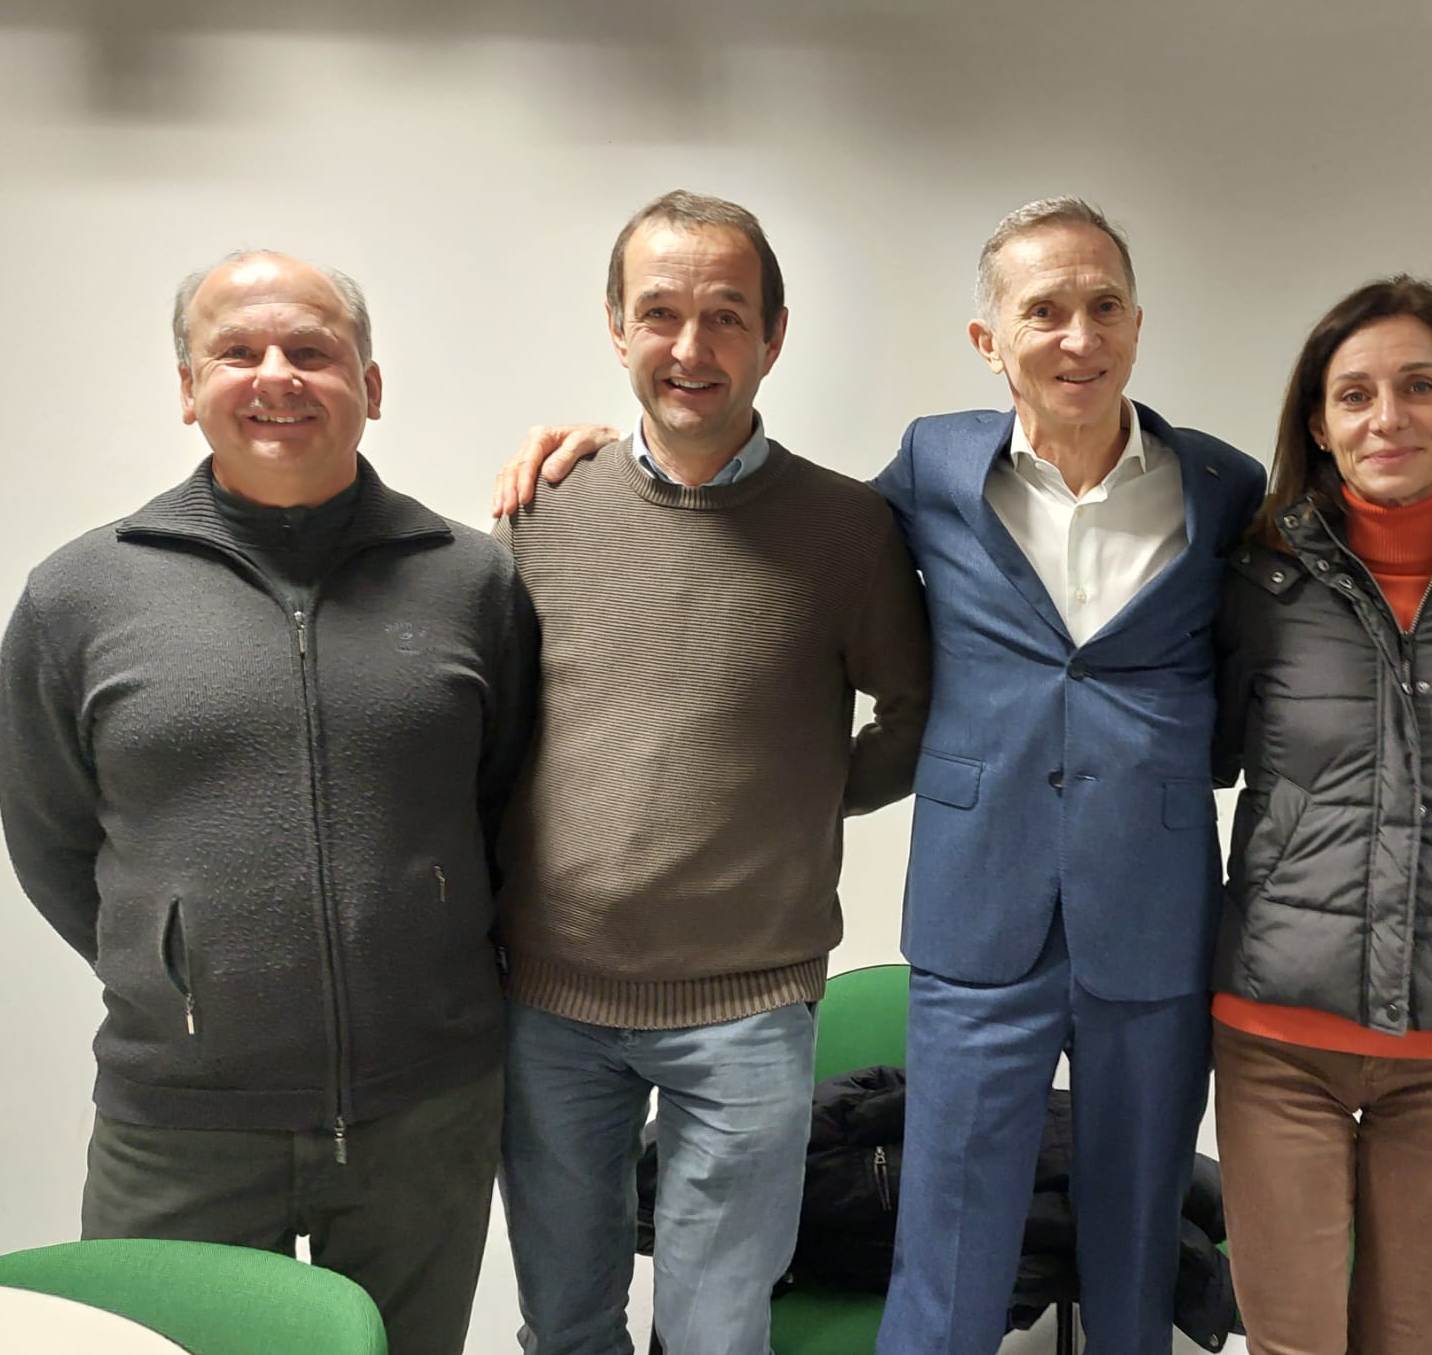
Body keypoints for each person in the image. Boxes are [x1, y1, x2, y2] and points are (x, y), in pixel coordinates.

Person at [489, 196, 1266, 1355]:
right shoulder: (929, 470)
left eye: (1103, 305)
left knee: (1139, 1236)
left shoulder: (1221, 485)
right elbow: (731, 501)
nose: (1077, 335)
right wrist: (586, 446)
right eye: (1042, 309)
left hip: (1152, 909)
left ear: (1137, 323)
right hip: (977, 906)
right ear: (988, 339)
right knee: (944, 1245)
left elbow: (1245, 678)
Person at [0, 250, 537, 1355]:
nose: (276, 375)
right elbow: (50, 833)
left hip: (424, 1109)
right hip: (178, 1118)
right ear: (188, 387)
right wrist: (176, 963)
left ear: (370, 384)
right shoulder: (79, 595)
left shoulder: (472, 582)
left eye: (311, 350)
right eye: (236, 351)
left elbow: (509, 808)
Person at [491, 189, 931, 1355]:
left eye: (726, 316)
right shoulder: (541, 506)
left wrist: (794, 794)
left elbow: (914, 711)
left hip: (746, 1008)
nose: (690, 347)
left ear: (772, 338)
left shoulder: (847, 530)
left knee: (717, 1333)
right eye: (660, 313)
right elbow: (486, 726)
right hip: (549, 999)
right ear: (615, 326)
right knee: (565, 1324)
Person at [1210, 276, 1432, 1355]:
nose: (1387, 417)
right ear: (1318, 424)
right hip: (1279, 1037)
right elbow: (1199, 750)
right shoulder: (1257, 581)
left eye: (1419, 386)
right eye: (1354, 394)